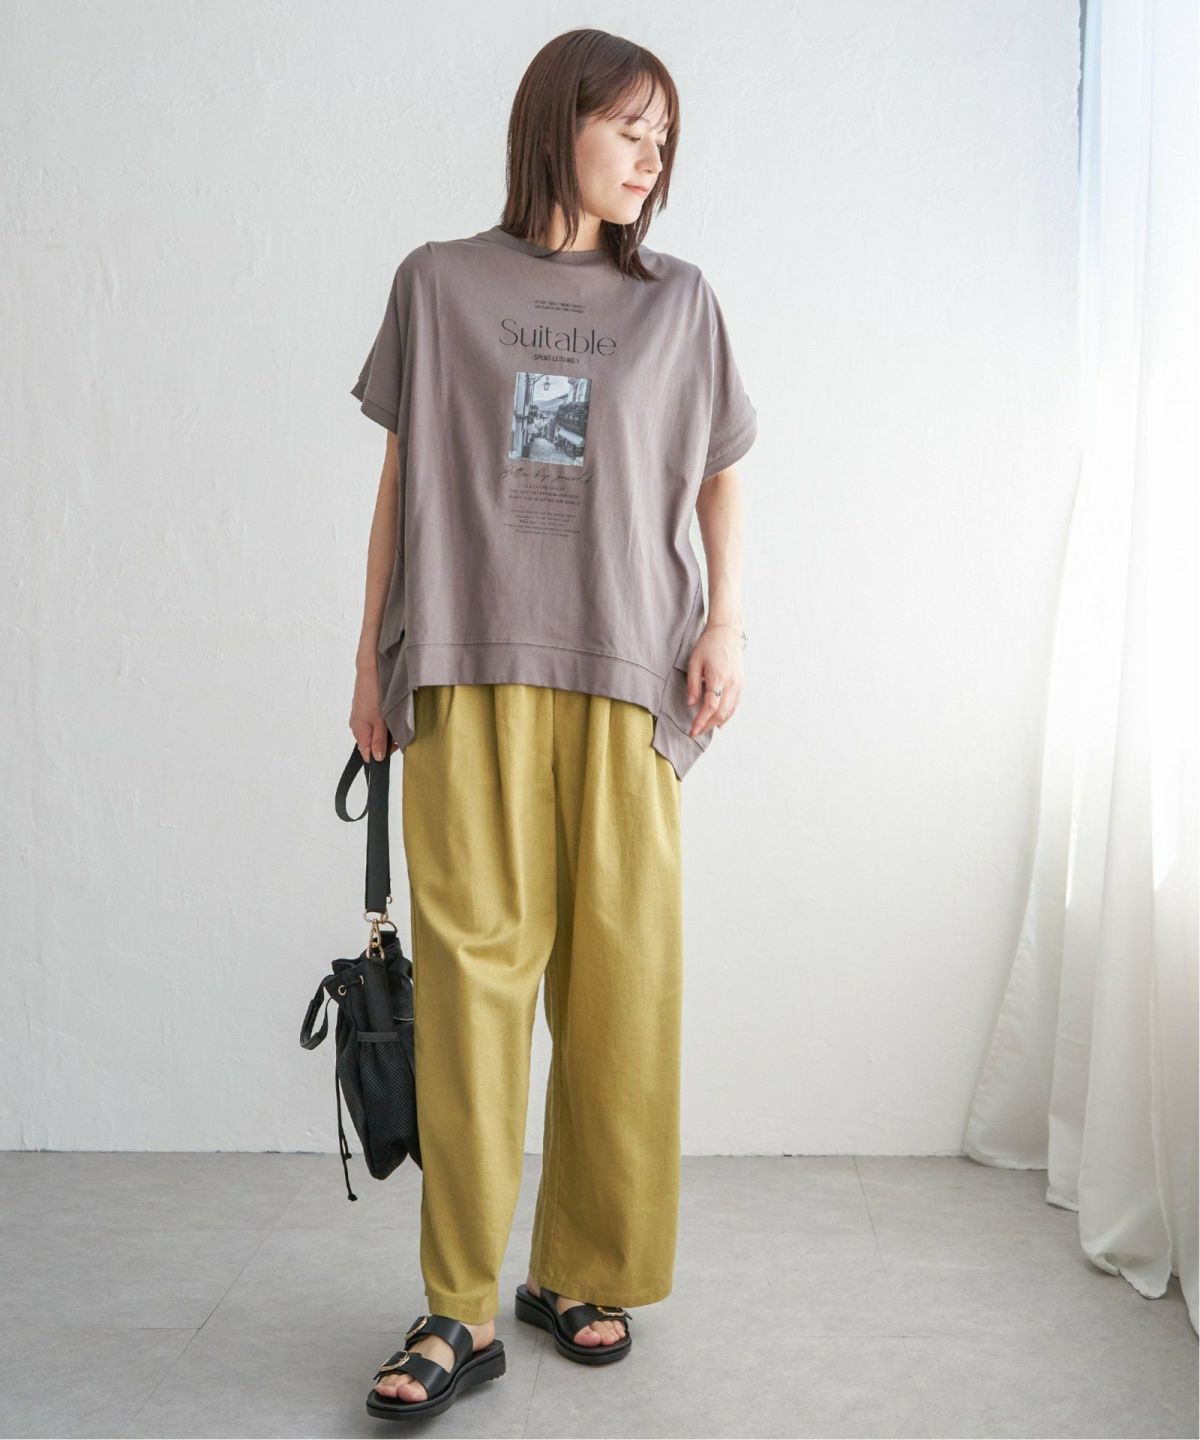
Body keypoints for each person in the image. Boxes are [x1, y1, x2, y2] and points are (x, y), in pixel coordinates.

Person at [349, 26, 756, 1423]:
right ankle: (458, 1305)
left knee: (620, 985)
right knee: (472, 996)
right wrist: (370, 665)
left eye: (664, 140)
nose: (652, 160)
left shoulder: (681, 303)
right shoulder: (438, 283)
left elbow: (722, 472)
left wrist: (728, 623)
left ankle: (581, 1267)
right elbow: (399, 484)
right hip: (466, 664)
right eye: (630, 131)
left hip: (629, 672)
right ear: (556, 125)